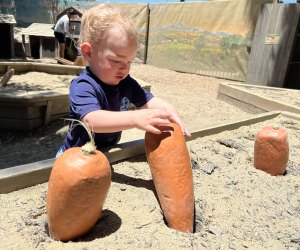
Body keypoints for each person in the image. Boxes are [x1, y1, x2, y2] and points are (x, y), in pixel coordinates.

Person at [56, 3, 190, 157]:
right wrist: (134, 118)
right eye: (116, 60)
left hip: (106, 153)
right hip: (76, 156)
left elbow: (147, 100)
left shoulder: (126, 82)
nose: (124, 68)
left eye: (129, 61)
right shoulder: (83, 85)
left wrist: (168, 109)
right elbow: (91, 120)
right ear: (88, 52)